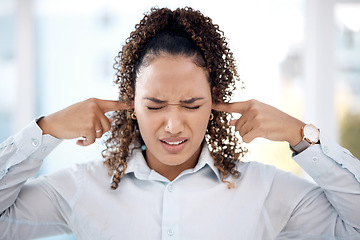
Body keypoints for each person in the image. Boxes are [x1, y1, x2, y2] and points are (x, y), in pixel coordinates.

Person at [0, 7, 359, 240]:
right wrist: (44, 130)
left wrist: (302, 136)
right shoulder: (81, 186)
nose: (173, 125)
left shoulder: (264, 189)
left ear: (215, 100)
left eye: (191, 105)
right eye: (155, 105)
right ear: (132, 103)